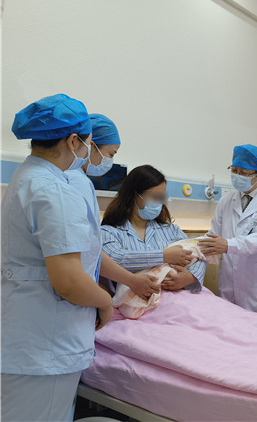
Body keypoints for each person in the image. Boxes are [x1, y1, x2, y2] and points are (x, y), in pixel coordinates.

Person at [1, 94, 113, 421]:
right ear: (73, 141)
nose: (87, 151)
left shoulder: (26, 178)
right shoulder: (53, 190)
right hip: (45, 346)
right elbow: (69, 281)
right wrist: (105, 302)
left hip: (28, 334)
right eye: (87, 143)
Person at [66, 114, 160, 298]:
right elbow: (89, 250)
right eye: (111, 154)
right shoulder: (77, 182)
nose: (110, 161)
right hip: (76, 289)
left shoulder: (71, 177)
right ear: (91, 145)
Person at [198, 145, 257, 318]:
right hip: (229, 287)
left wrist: (228, 245)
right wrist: (190, 247)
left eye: (243, 172)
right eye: (234, 170)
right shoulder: (226, 201)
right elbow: (214, 234)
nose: (237, 176)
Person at [101, 165, 205, 292]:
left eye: (162, 198)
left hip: (178, 295)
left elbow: (198, 255)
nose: (159, 203)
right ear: (134, 196)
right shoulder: (109, 232)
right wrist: (163, 256)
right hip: (137, 298)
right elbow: (115, 259)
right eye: (155, 197)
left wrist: (190, 276)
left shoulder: (172, 230)